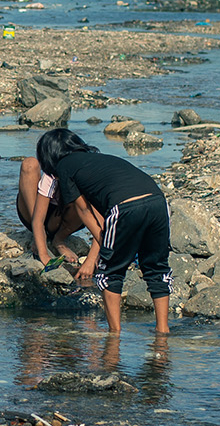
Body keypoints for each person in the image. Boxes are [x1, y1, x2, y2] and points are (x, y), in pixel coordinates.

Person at [35, 129, 172, 337]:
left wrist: (102, 238)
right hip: (158, 202)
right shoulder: (96, 160)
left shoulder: (64, 166)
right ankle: (163, 331)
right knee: (156, 267)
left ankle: (114, 336)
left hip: (125, 207)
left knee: (110, 273)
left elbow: (83, 210)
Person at [16, 156, 84, 266]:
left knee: (82, 190)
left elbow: (98, 220)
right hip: (33, 211)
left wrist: (93, 258)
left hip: (62, 217)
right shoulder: (51, 171)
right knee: (29, 163)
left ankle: (59, 241)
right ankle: (39, 233)